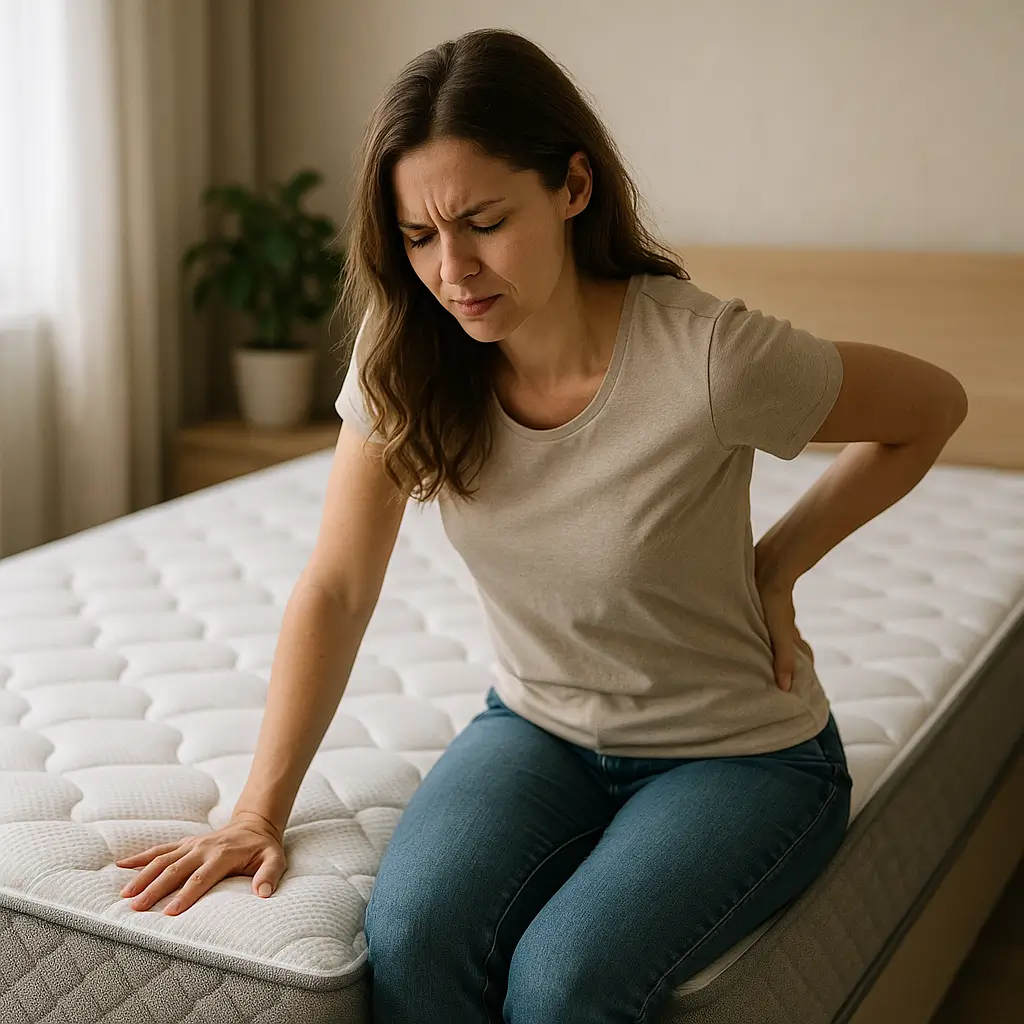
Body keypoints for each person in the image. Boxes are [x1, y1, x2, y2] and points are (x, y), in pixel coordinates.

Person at [115, 27, 968, 1023]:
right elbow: (339, 585)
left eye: (483, 221)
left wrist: (774, 565)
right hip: (538, 725)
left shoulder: (708, 357)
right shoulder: (408, 355)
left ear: (571, 187)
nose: (453, 270)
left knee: (563, 984)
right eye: (420, 235)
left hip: (741, 757)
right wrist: (257, 809)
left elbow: (933, 408)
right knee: (411, 940)